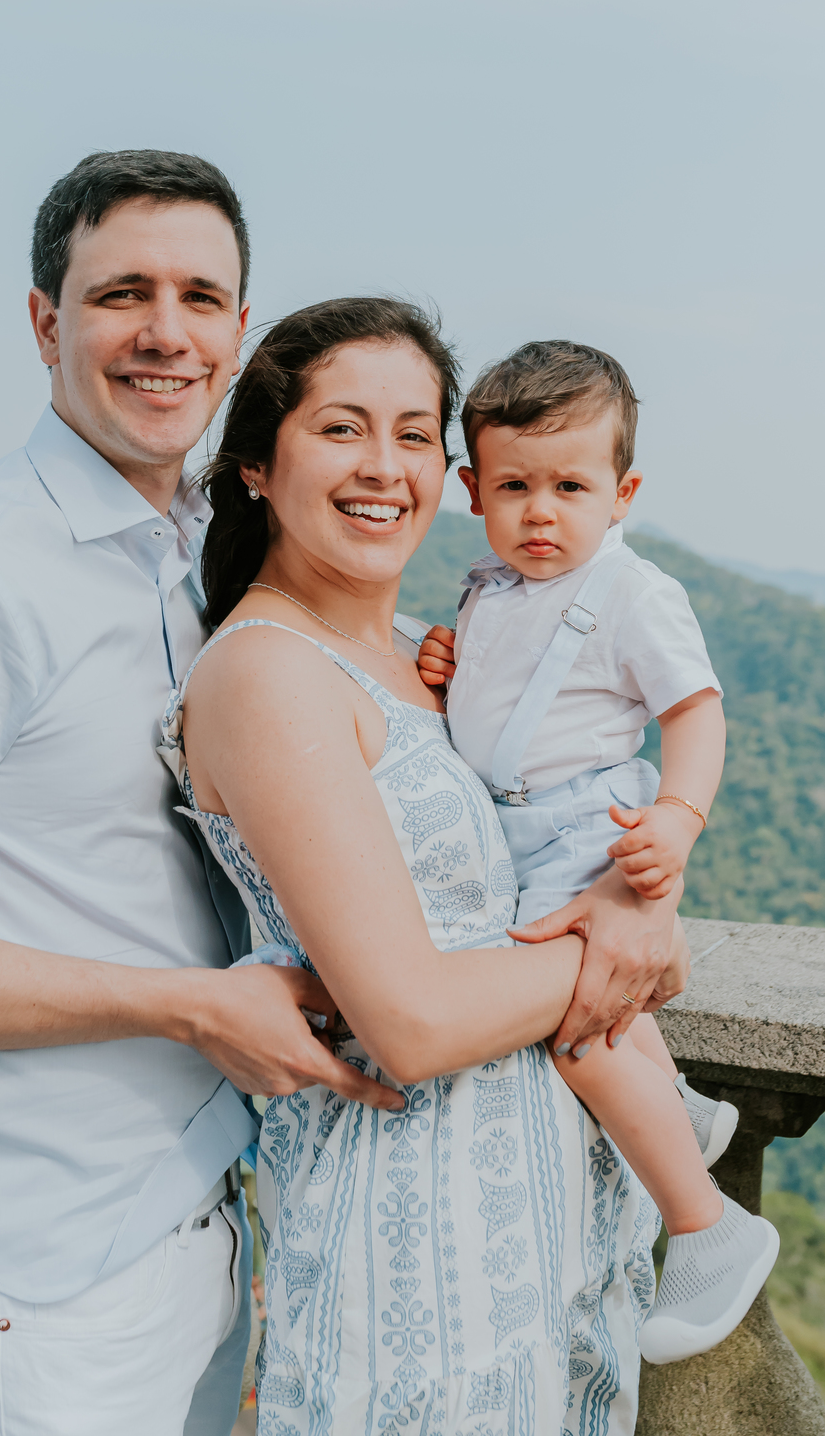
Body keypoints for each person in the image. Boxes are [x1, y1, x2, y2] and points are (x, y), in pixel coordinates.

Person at [0, 150, 402, 1436]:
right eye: (123, 293)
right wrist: (191, 1007)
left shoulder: (194, 556)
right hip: (31, 1289)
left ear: (238, 332)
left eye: (199, 297)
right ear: (44, 322)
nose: (165, 332)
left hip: (200, 1235)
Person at [161, 296, 694, 1433]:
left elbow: (563, 816)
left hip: (544, 1235)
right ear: (256, 465)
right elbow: (409, 1019)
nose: (384, 466)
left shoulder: (428, 656)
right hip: (414, 1256)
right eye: (341, 428)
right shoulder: (268, 672)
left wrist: (639, 885)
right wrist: (620, 942)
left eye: (413, 433)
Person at [415, 338, 779, 1364]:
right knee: (599, 1013)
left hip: (589, 827)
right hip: (519, 828)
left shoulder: (631, 591)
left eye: (570, 487)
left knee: (578, 1025)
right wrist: (449, 665)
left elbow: (694, 710)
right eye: (515, 486)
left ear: (622, 493)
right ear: (472, 490)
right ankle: (681, 1111)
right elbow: (508, 695)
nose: (542, 512)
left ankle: (709, 1228)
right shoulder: (490, 588)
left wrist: (679, 818)